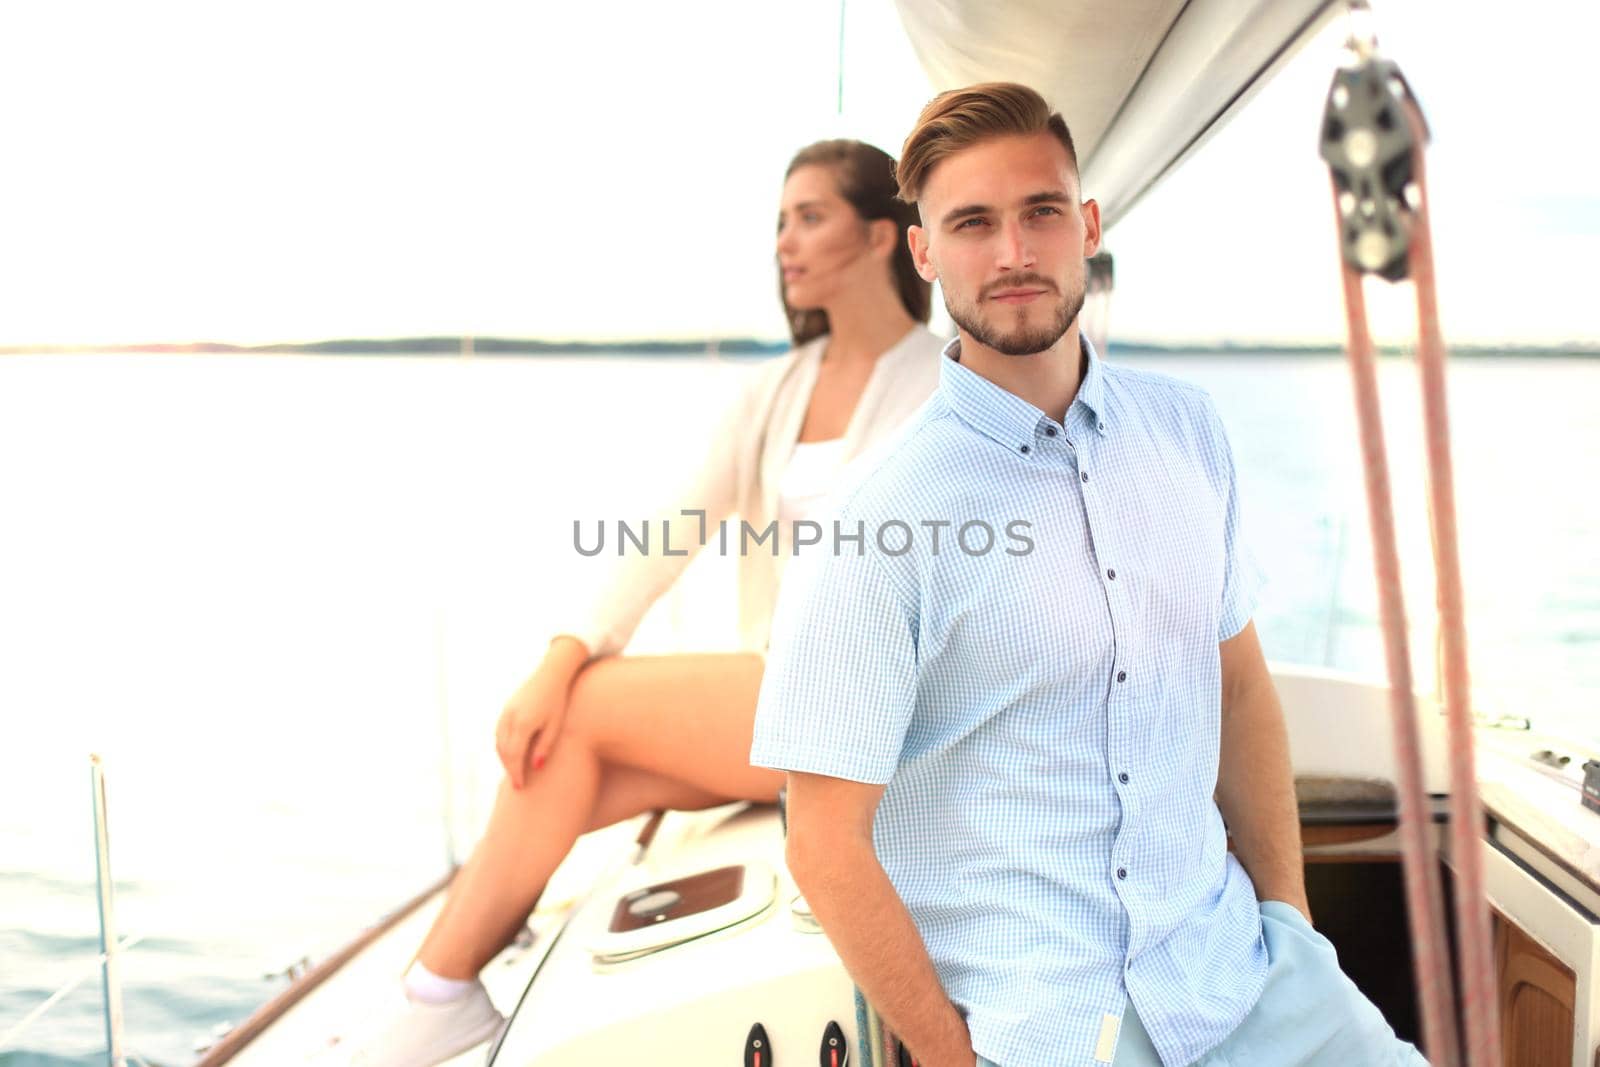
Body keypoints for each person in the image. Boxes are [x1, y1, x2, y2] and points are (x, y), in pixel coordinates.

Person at [750, 84, 1430, 1067]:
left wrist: (1291, 924)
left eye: (1041, 212)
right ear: (924, 253)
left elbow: (1237, 687)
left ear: (1087, 226)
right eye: (973, 224)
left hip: (1245, 974)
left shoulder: (1188, 431)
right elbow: (821, 840)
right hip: (1053, 1029)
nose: (1015, 253)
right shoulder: (873, 521)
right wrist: (950, 1056)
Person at [330, 138, 946, 1067]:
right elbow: (664, 533)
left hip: (870, 706)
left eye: (808, 217)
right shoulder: (775, 389)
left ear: (878, 236)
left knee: (581, 712)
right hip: (787, 704)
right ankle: (439, 988)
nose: (784, 240)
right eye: (779, 220)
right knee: (566, 750)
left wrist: (569, 675)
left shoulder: (942, 381)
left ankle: (434, 992)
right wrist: (564, 649)